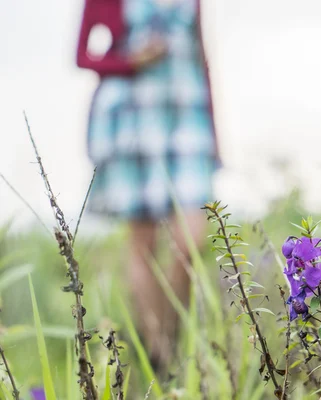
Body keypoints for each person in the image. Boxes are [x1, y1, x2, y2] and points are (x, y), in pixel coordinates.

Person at [75, 0, 219, 371]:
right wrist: (131, 61)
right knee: (143, 244)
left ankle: (170, 336)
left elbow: (202, 58)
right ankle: (161, 357)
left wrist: (214, 137)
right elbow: (83, 56)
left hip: (188, 117)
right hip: (131, 120)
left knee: (191, 242)